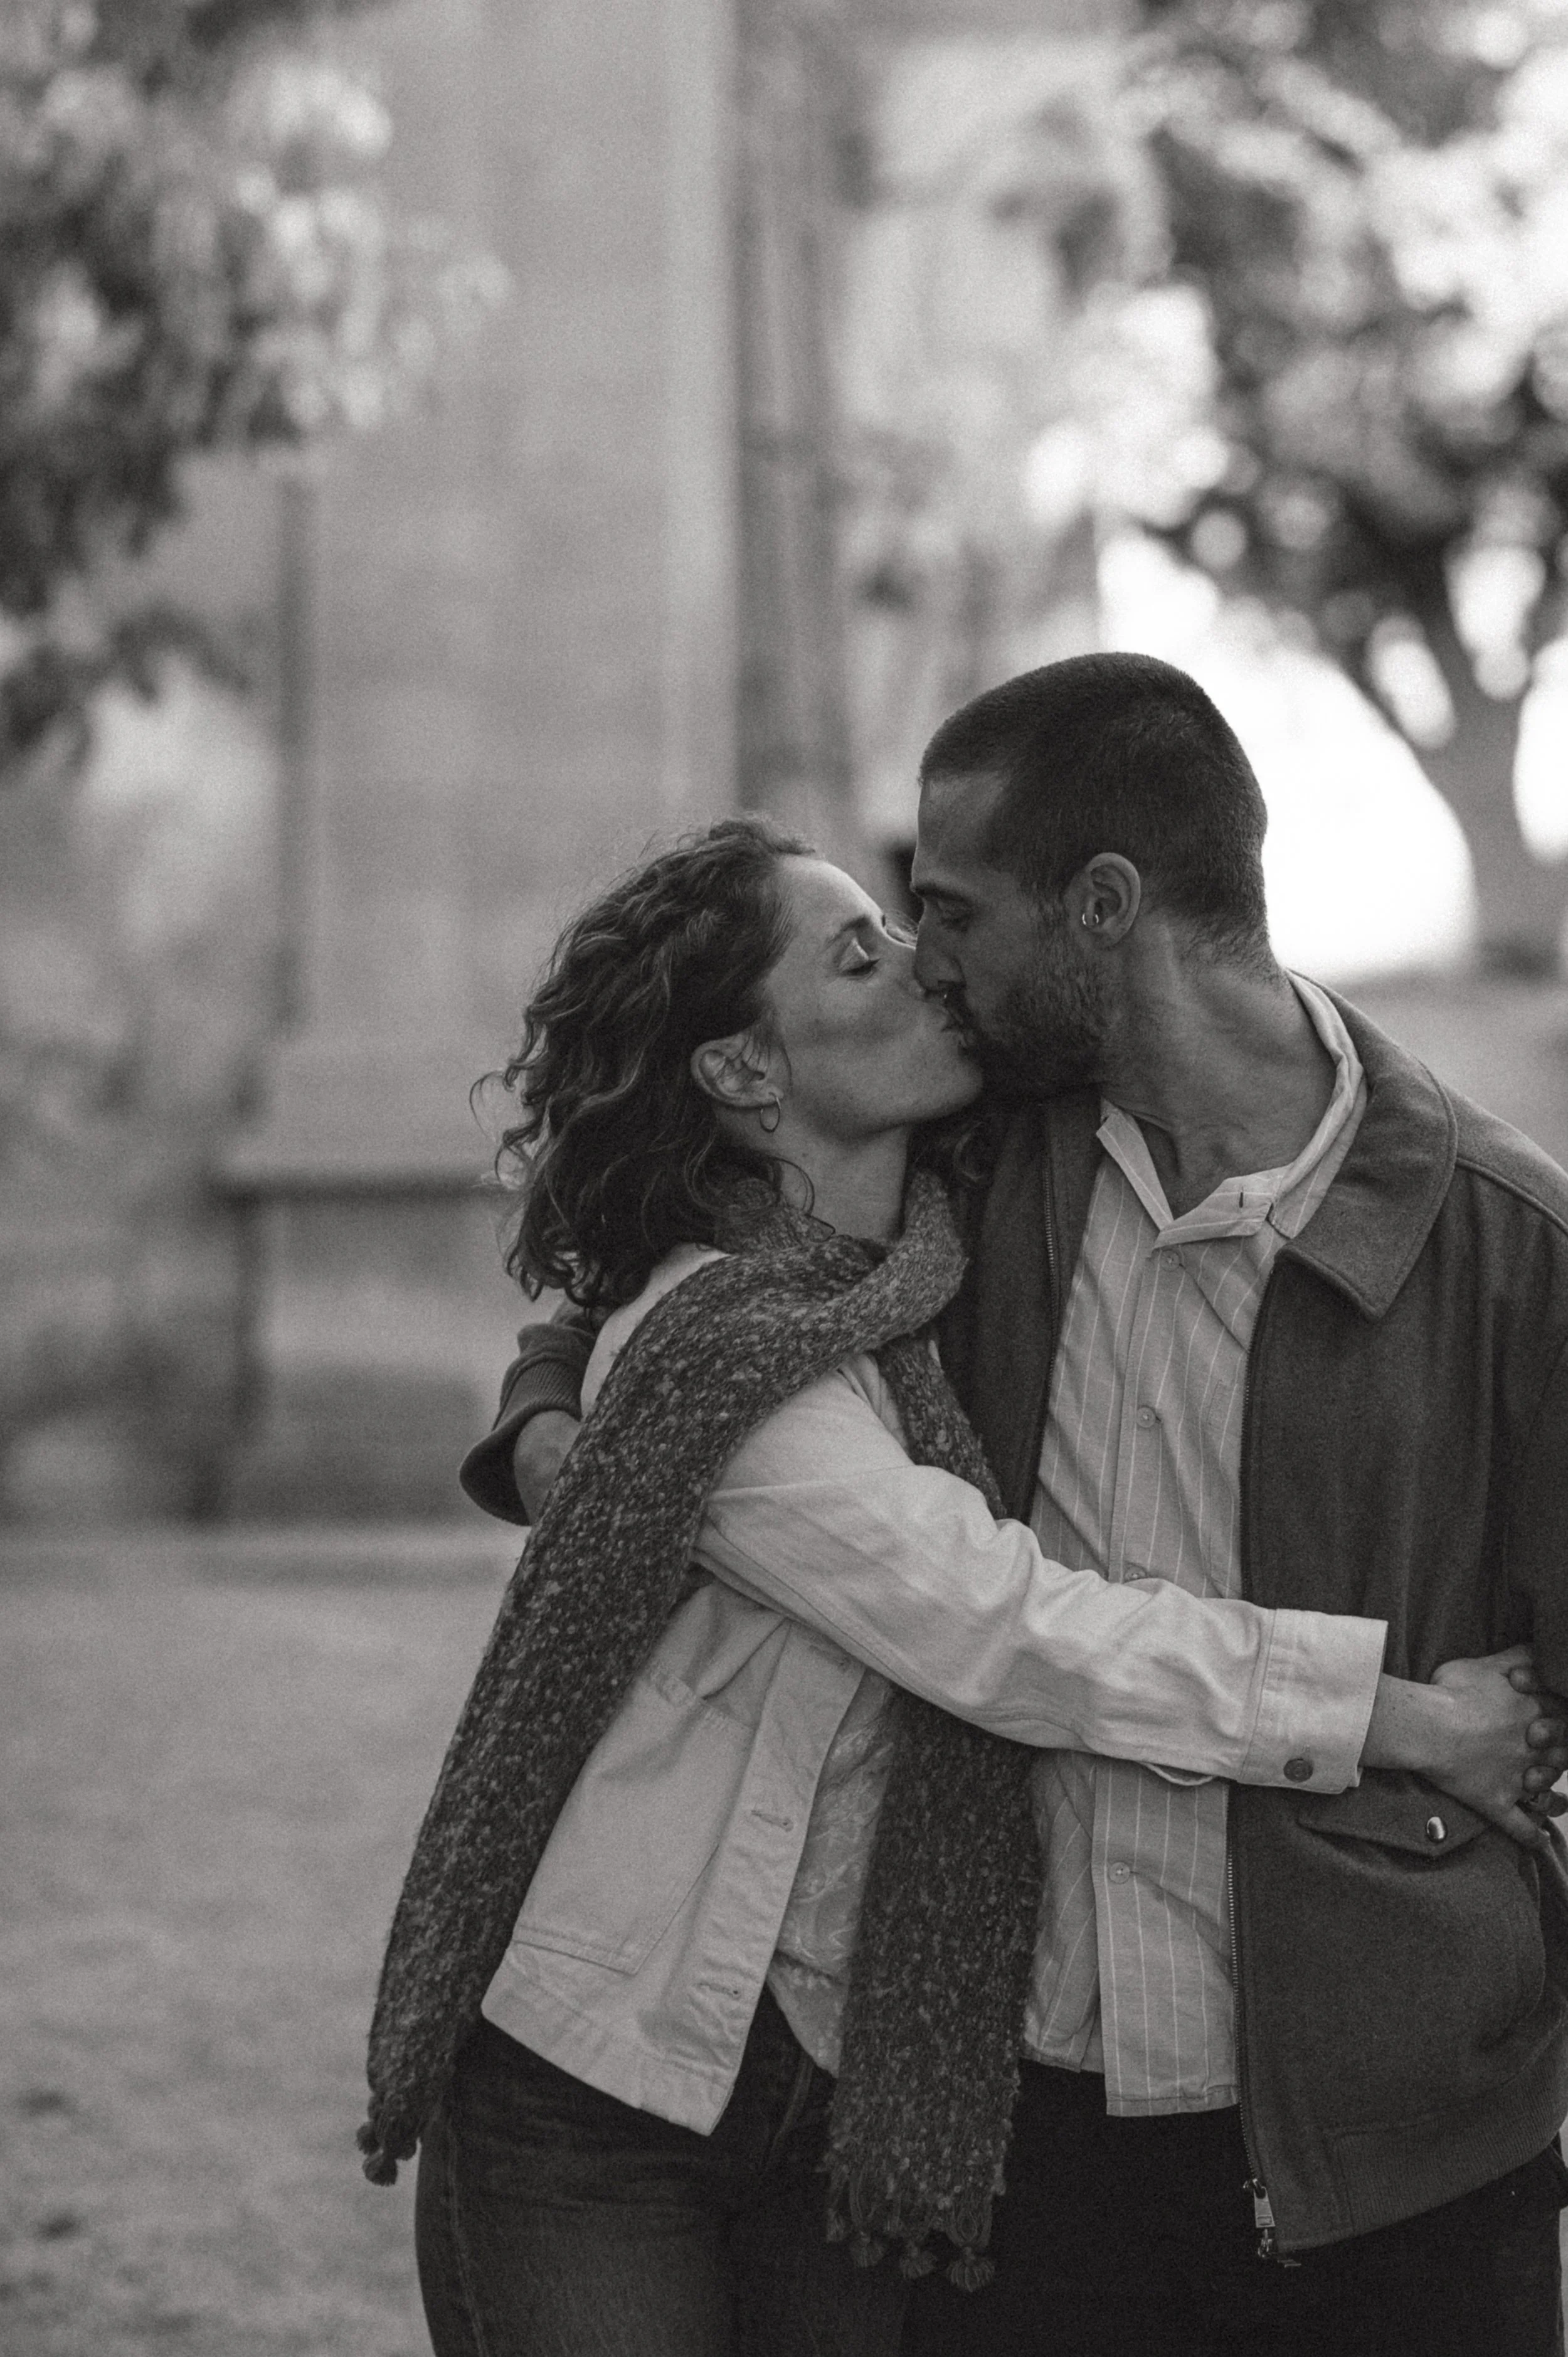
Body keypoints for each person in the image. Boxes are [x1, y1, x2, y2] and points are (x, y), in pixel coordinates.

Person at [432, 805, 1567, 2357]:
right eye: (866, 951)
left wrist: (546, 1408)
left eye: (920, 927)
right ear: (746, 1071)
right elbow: (1004, 1628)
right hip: (605, 2079)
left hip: (855, 2079)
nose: (923, 967)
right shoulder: (723, 1357)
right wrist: (1400, 1718)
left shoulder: (939, 1236)